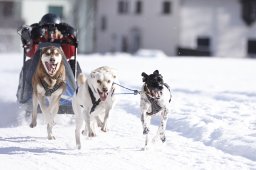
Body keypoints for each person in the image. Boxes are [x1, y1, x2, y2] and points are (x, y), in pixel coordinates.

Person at [16, 13, 81, 114]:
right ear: (42, 30)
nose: (51, 33)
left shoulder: (63, 39)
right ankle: (26, 95)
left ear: (59, 30)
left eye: (54, 30)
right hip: (39, 70)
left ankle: (78, 95)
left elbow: (70, 53)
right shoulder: (39, 39)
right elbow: (30, 52)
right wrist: (31, 39)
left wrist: (70, 37)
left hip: (61, 71)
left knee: (74, 63)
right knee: (28, 63)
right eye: (46, 29)